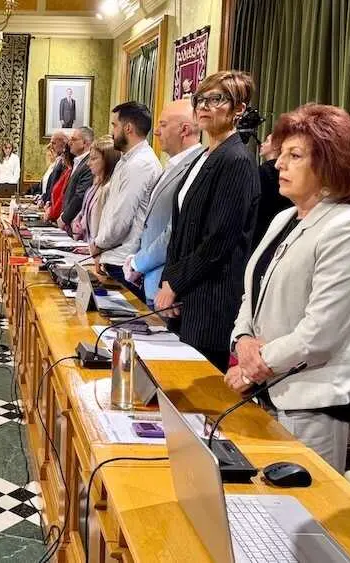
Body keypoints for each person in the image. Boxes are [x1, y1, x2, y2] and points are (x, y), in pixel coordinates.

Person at [225, 104, 350, 471]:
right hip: (271, 387)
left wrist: (253, 366)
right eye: (282, 153)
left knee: (302, 503)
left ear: (330, 165)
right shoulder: (285, 217)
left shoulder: (347, 227)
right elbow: (253, 294)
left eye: (294, 156)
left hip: (315, 400)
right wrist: (242, 340)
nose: (279, 163)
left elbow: (320, 333)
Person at [156, 71, 260, 372]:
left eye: (216, 99)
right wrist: (169, 281)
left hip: (210, 300)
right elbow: (182, 230)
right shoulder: (205, 156)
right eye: (200, 99)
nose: (204, 106)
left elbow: (218, 241)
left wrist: (175, 283)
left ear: (238, 109)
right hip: (187, 294)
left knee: (197, 389)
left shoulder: (237, 160)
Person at [123, 99, 204, 305]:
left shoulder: (196, 167)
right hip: (149, 280)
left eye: (163, 125)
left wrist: (138, 263)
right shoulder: (172, 164)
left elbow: (174, 232)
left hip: (166, 288)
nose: (157, 132)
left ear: (184, 130)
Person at [91, 101, 163, 302]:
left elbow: (121, 219)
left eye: (115, 125)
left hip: (123, 260)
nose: (112, 132)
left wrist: (98, 244)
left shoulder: (140, 164)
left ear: (128, 128)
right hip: (114, 255)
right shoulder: (127, 160)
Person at [71, 136, 121, 249]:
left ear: (107, 161)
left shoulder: (109, 188)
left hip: (98, 250)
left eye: (94, 159)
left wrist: (94, 247)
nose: (88, 163)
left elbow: (106, 227)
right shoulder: (95, 185)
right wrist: (78, 221)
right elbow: (85, 212)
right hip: (87, 245)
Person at [253, 133, 292, 246]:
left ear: (275, 146)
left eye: (267, 141)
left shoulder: (262, 172)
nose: (262, 144)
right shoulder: (287, 174)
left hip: (260, 229)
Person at [58, 127, 95, 231]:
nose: (70, 143)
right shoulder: (78, 161)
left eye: (74, 139)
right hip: (69, 221)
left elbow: (80, 195)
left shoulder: (88, 164)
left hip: (76, 224)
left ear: (85, 143)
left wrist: (64, 218)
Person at [39, 132, 68, 206]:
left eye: (54, 143)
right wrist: (43, 198)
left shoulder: (65, 163)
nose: (51, 146)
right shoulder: (58, 161)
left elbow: (58, 188)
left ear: (63, 144)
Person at [46, 148, 74, 222]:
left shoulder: (69, 172)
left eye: (63, 155)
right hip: (55, 214)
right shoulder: (66, 172)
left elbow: (62, 196)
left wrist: (52, 213)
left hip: (60, 217)